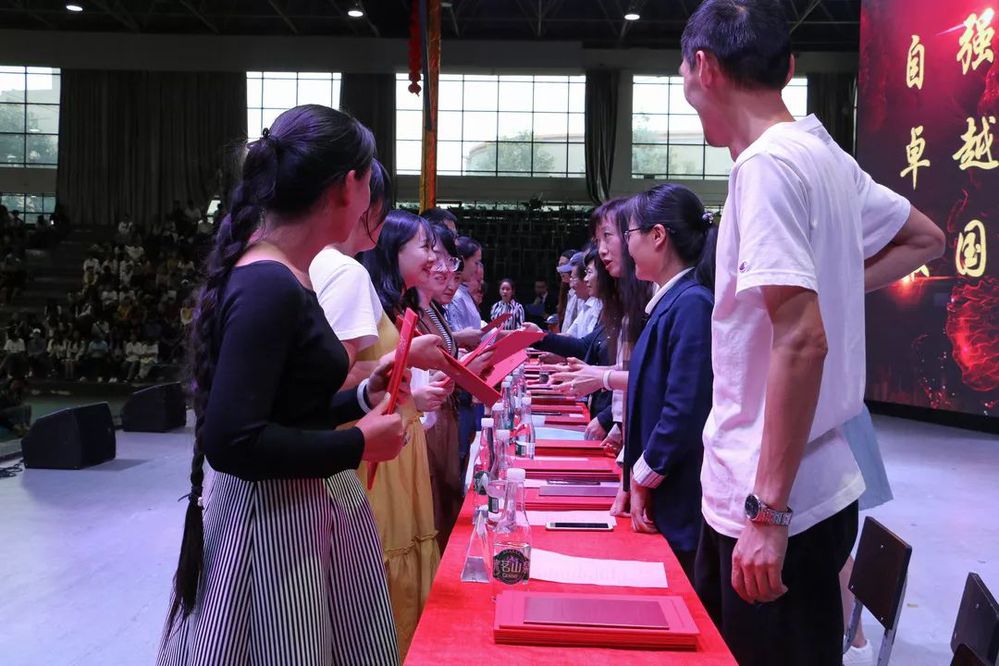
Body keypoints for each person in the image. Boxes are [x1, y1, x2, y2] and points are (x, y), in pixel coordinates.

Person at [678, 2, 946, 664]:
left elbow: (801, 340)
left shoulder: (765, 165)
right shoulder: (824, 156)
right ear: (789, 67)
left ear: (703, 68)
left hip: (772, 496)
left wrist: (768, 513)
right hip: (816, 482)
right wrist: (835, 286)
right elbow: (926, 238)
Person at [156, 105, 406, 666]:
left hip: (290, 514)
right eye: (369, 185)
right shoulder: (269, 282)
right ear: (348, 186)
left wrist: (360, 398)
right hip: (271, 528)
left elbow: (286, 407)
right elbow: (234, 440)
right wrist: (358, 444)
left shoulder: (284, 272)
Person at [359, 210, 454, 657]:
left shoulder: (399, 305)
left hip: (405, 434)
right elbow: (354, 380)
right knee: (388, 553)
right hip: (383, 445)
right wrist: (407, 364)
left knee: (410, 548)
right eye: (426, 247)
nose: (435, 258)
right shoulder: (357, 286)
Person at [615, 184, 717, 580]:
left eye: (629, 233)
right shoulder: (672, 302)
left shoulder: (692, 304)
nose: (626, 245)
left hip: (678, 497)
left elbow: (684, 409)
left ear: (657, 235)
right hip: (663, 490)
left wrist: (644, 474)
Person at [560, 251, 602, 339]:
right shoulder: (588, 304)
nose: (571, 284)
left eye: (589, 272)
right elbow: (570, 336)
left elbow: (585, 344)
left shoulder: (603, 305)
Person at [555, 248, 579, 330]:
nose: (560, 270)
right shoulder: (568, 293)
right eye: (559, 265)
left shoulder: (580, 294)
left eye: (564, 265)